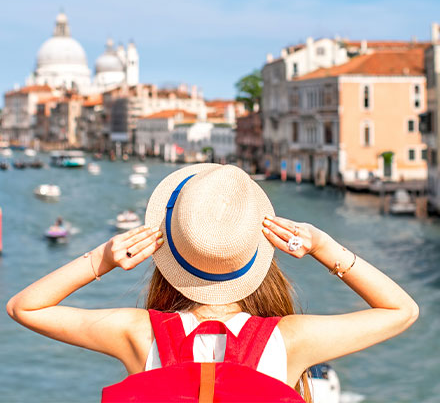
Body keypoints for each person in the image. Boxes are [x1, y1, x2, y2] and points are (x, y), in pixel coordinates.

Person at [6, 164, 418, 402]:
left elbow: (25, 307)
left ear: (168, 252)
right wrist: (322, 245)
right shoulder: (291, 339)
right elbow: (402, 311)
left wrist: (104, 258)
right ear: (258, 250)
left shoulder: (139, 334)